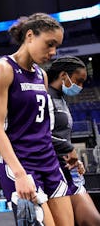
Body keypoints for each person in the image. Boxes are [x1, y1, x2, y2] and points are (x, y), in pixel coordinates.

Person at [0, 13, 74, 225]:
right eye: (49, 44)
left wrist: (66, 154)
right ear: (29, 36)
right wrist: (19, 174)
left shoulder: (41, 75)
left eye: (57, 47)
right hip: (22, 163)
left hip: (48, 160)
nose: (53, 52)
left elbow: (41, 126)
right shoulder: (4, 69)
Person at [46, 56, 100, 225]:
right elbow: (39, 135)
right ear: (64, 76)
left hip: (68, 171)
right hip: (49, 171)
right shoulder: (44, 96)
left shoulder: (61, 99)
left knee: (93, 220)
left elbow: (61, 135)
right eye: (79, 81)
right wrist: (69, 148)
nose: (81, 87)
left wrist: (73, 159)